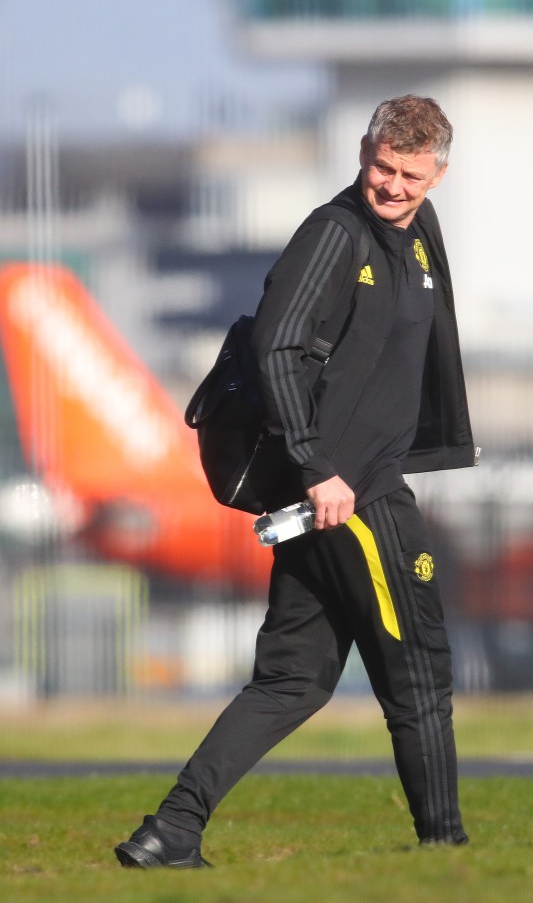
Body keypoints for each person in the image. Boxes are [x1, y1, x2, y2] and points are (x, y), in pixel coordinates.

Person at [115, 94, 478, 868]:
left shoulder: (417, 236)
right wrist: (317, 468)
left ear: (438, 173)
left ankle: (169, 832)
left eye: (411, 174)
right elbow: (276, 348)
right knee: (418, 675)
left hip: (352, 487)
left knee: (292, 679)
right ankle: (448, 853)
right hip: (348, 494)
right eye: (383, 168)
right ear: (362, 152)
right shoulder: (334, 232)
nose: (393, 187)